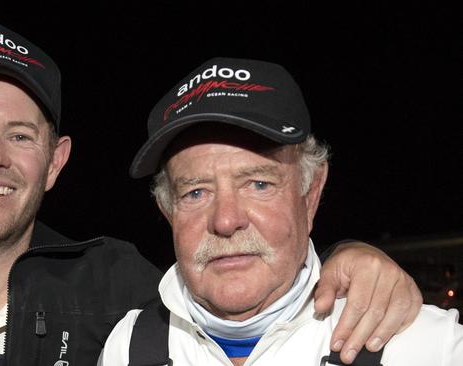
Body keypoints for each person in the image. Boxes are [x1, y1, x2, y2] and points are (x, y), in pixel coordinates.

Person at [0, 24, 421, 366]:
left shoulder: (120, 291)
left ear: (56, 160)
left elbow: (241, 279)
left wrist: (353, 257)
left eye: (20, 135)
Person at [98, 57, 463, 366]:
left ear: (311, 193)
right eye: (196, 192)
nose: (226, 221)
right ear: (167, 210)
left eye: (258, 184)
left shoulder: (425, 346)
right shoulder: (127, 347)